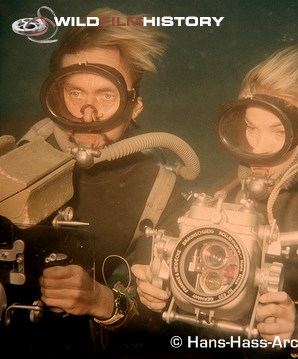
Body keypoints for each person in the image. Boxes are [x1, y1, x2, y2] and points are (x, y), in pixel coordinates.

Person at [133, 41, 298, 358]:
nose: (258, 148)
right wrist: (166, 294)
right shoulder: (227, 191)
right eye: (250, 127)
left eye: (278, 131)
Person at [0, 6, 200, 358]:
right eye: (74, 93)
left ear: (134, 105)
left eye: (106, 96)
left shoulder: (160, 190)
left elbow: (167, 321)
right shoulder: (7, 143)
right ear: (54, 94)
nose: (87, 116)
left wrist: (101, 300)